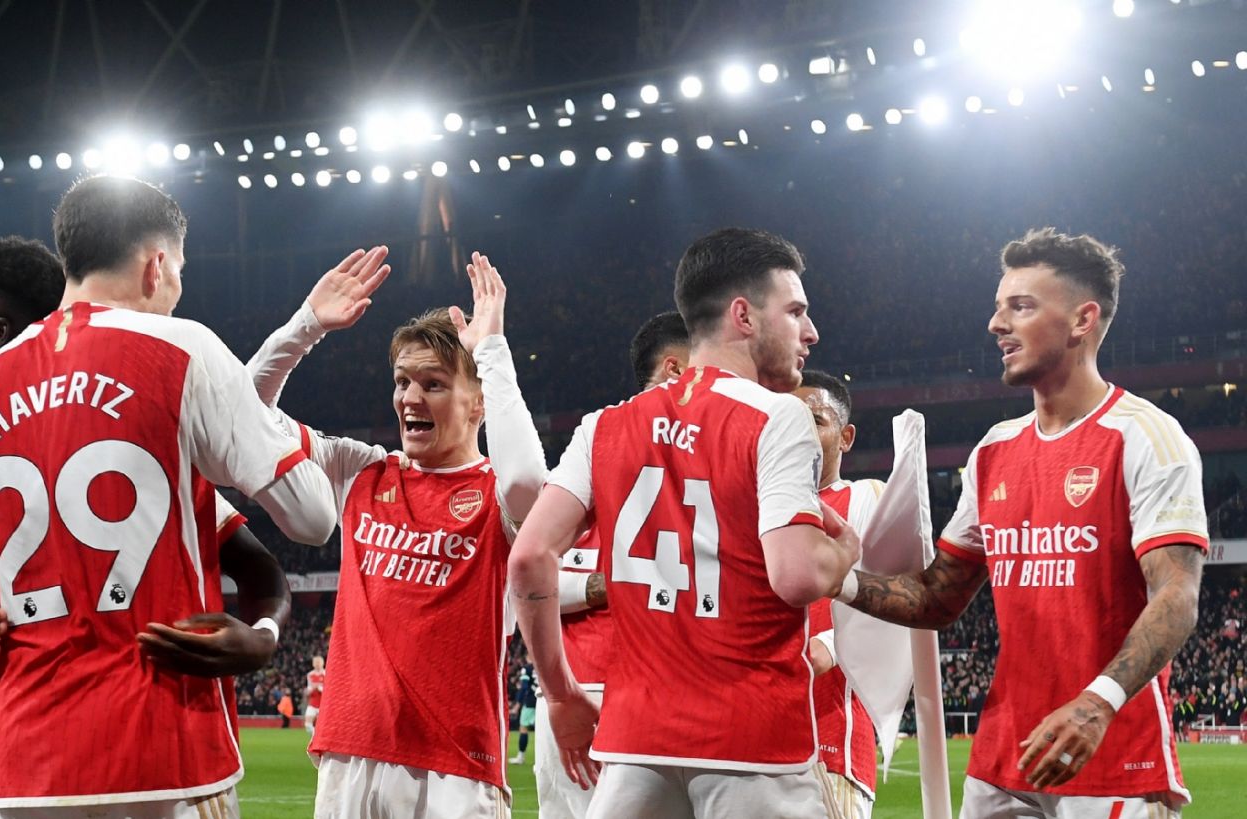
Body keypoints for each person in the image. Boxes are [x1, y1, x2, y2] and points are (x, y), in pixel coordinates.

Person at [0, 175, 336, 818]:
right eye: (179, 271)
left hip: (27, 762)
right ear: (157, 265)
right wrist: (261, 408)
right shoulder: (183, 350)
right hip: (166, 749)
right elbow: (312, 518)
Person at [839, 228, 1208, 818]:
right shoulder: (994, 450)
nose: (996, 324)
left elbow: (1177, 595)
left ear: (1083, 320)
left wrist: (1097, 703)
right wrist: (838, 579)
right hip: (1003, 762)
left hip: (1110, 758)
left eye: (1021, 306)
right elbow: (937, 597)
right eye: (998, 307)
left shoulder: (1146, 436)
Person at [511, 227, 860, 818]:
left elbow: (528, 557)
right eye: (796, 311)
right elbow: (798, 575)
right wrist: (846, 548)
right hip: (753, 744)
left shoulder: (603, 427)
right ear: (743, 316)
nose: (811, 332)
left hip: (634, 744)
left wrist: (562, 694)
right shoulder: (777, 416)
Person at [244, 248, 547, 817]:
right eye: (402, 381)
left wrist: (492, 351)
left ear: (478, 403)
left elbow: (529, 480)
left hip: (455, 765)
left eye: (433, 384)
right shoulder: (361, 471)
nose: (410, 398)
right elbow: (243, 409)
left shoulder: (498, 496)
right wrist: (305, 327)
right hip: (349, 752)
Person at [532, 310, 689, 819]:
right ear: (673, 368)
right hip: (589, 688)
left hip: (664, 689)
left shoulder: (695, 468)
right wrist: (605, 585)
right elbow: (527, 575)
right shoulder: (594, 459)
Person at [795, 369, 882, 818]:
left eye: (814, 420)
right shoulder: (754, 509)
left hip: (830, 742)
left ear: (846, 437)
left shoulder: (868, 500)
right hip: (749, 742)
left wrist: (829, 646)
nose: (799, 432)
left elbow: (903, 605)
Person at [509, 654, 537, 765]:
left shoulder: (527, 668)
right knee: (542, 731)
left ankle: (521, 757)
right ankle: (543, 760)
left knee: (523, 728)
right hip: (543, 702)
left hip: (530, 702)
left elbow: (524, 688)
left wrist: (517, 705)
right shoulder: (543, 667)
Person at [305, 655, 326, 735]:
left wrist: (319, 688)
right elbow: (308, 690)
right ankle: (315, 738)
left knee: (324, 726)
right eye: (316, 662)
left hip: (323, 704)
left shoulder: (326, 674)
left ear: (322, 663)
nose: (317, 664)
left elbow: (328, 690)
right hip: (313, 703)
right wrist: (311, 689)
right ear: (313, 664)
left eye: (319, 662)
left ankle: (318, 739)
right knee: (307, 725)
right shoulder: (310, 675)